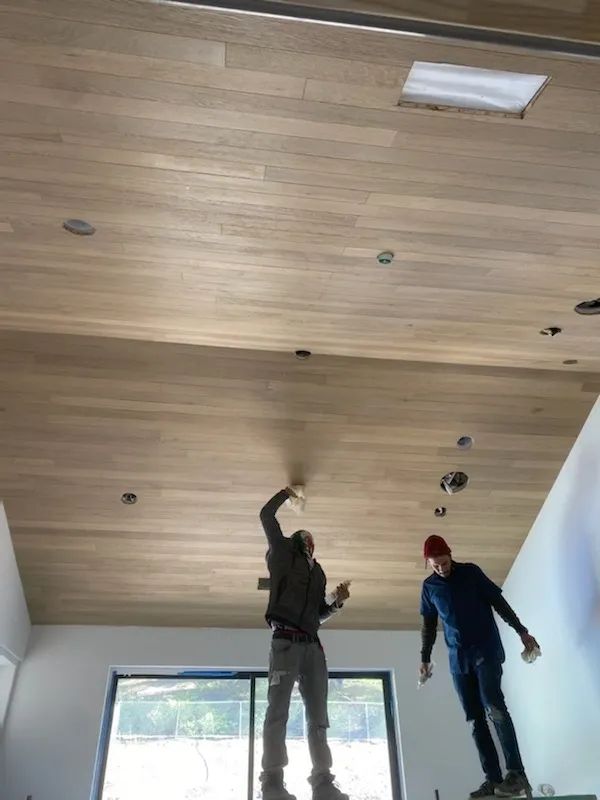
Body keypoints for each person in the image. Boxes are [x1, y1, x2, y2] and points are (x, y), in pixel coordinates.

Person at [419, 535, 540, 799]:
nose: (442, 568)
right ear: (428, 563)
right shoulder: (429, 588)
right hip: (458, 660)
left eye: (444, 562)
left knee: (494, 708)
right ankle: (494, 780)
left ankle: (517, 775)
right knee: (475, 719)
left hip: (485, 650)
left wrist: (522, 631)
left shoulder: (471, 573)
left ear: (450, 555)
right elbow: (429, 625)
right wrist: (424, 658)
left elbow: (499, 603)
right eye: (435, 565)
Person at [259, 486, 351, 800]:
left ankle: (323, 782)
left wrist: (336, 604)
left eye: (311, 541)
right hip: (284, 642)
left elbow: (316, 616)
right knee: (278, 712)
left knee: (318, 717)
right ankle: (272, 782)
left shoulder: (319, 572)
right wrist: (288, 492)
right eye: (304, 538)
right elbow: (265, 515)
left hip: (312, 646)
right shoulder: (283, 555)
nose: (309, 543)